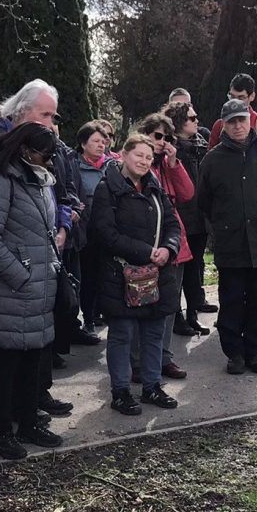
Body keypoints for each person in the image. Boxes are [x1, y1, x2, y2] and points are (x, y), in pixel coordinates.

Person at [0, 79, 83, 418]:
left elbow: (62, 193)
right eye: (45, 115)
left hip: (44, 264)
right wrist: (21, 274)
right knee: (12, 353)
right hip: (17, 275)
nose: (52, 124)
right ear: (22, 113)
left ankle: (35, 402)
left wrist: (63, 227)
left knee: (39, 342)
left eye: (54, 117)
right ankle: (12, 417)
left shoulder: (50, 151)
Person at [0, 122, 68, 460]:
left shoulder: (40, 181)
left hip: (38, 286)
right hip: (12, 290)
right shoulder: (0, 182)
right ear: (25, 150)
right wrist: (20, 276)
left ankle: (28, 423)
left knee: (33, 360)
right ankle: (2, 432)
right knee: (7, 361)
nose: (50, 160)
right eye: (45, 154)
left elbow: (43, 233)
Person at [91, 134, 185, 414]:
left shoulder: (155, 188)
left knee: (154, 333)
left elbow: (172, 223)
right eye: (139, 155)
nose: (144, 161)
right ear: (123, 154)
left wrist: (168, 248)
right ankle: (120, 391)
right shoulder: (107, 189)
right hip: (120, 275)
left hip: (157, 274)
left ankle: (152, 386)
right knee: (121, 335)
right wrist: (146, 251)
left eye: (148, 157)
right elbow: (105, 233)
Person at [197, 98, 257, 375]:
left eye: (241, 120)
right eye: (232, 121)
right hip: (231, 242)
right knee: (232, 300)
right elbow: (204, 200)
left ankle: (255, 353)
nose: (237, 126)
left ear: (249, 121)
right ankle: (234, 353)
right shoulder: (212, 160)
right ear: (223, 125)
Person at [132, 111, 196, 378]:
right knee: (142, 304)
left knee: (169, 305)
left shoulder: (167, 166)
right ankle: (138, 360)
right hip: (145, 245)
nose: (162, 142)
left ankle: (163, 357)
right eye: (157, 136)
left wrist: (173, 163)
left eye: (167, 138)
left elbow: (187, 193)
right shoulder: (137, 164)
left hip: (173, 245)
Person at [166, 101, 216, 334]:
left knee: (195, 268)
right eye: (192, 118)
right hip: (181, 216)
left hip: (199, 216)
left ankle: (193, 314)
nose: (197, 122)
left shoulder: (200, 145)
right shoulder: (172, 149)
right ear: (179, 122)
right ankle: (176, 317)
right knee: (178, 271)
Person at [75, 120, 114, 328]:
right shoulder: (75, 167)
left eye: (103, 141)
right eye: (96, 141)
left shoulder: (113, 166)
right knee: (88, 278)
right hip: (86, 233)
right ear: (83, 144)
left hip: (110, 231)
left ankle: (108, 314)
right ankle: (89, 319)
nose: (101, 145)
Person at [208, 73, 257, 170]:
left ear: (252, 96)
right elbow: (209, 163)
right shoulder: (219, 125)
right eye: (232, 96)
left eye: (241, 98)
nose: (235, 101)